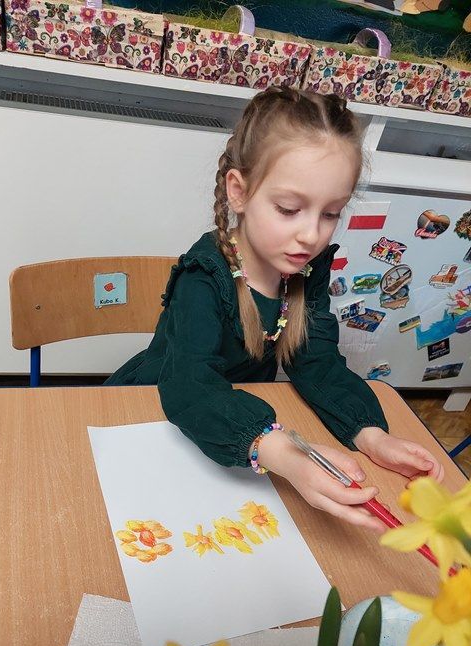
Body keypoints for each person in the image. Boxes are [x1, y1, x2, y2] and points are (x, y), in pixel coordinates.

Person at [106, 86, 444, 530]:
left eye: (330, 213)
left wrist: (371, 435)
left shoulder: (305, 268)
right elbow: (190, 385)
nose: (311, 235)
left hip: (244, 422)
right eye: (288, 209)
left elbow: (316, 361)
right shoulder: (204, 276)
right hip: (155, 408)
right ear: (239, 192)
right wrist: (283, 453)